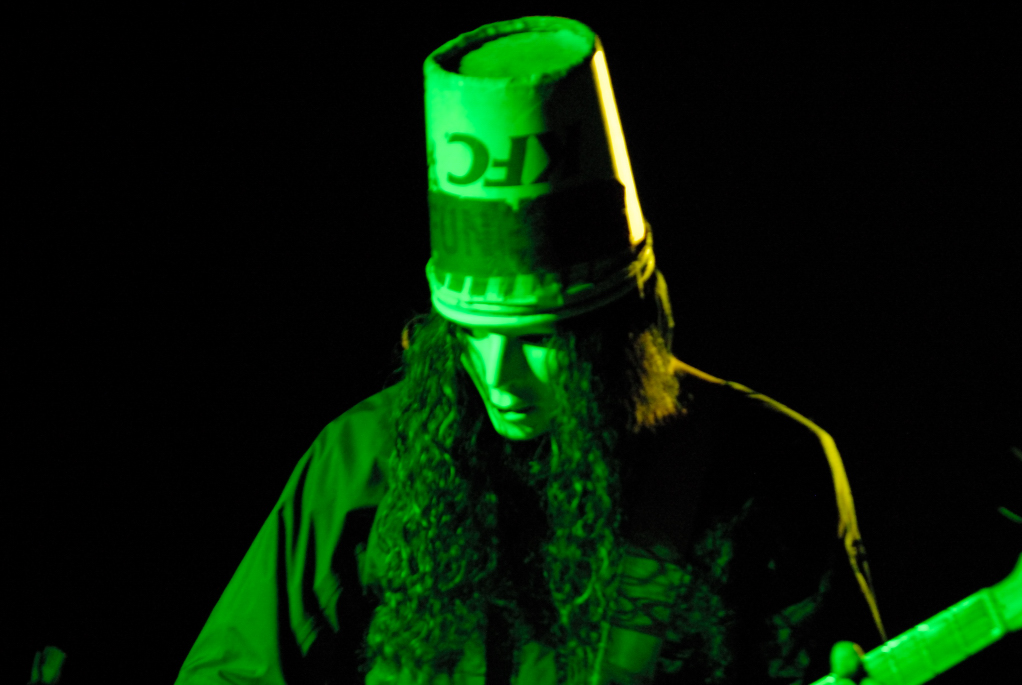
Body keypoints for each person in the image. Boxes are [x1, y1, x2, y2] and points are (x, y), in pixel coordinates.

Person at [175, 17, 886, 685]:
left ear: (619, 336)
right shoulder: (358, 460)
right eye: (471, 334)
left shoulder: (772, 468)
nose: (498, 377)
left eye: (541, 339)